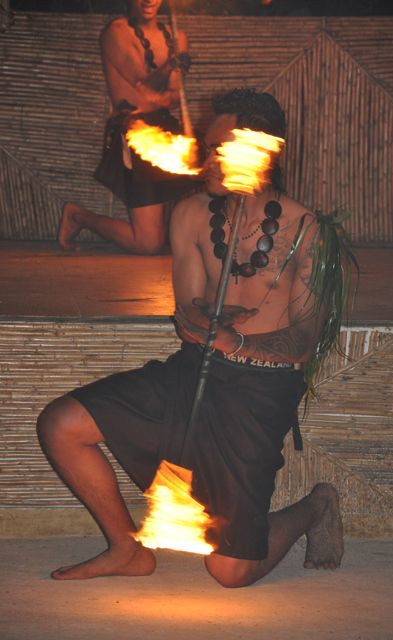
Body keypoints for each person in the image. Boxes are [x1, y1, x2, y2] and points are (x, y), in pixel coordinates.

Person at [38, 89, 346, 587]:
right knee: (61, 424)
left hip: (259, 391)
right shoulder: (189, 215)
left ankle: (315, 507)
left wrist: (235, 342)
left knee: (229, 571)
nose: (204, 160)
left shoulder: (307, 230)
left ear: (258, 151)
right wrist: (207, 324)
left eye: (216, 148)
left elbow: (304, 339)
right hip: (195, 369)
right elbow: (190, 310)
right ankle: (126, 549)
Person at [58, 0, 195, 255]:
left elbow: (174, 96)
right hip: (135, 133)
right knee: (148, 243)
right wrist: (170, 65)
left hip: (167, 130)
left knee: (170, 237)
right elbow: (143, 82)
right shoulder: (116, 33)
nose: (148, 0)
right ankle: (79, 217)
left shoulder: (176, 36)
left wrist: (161, 89)